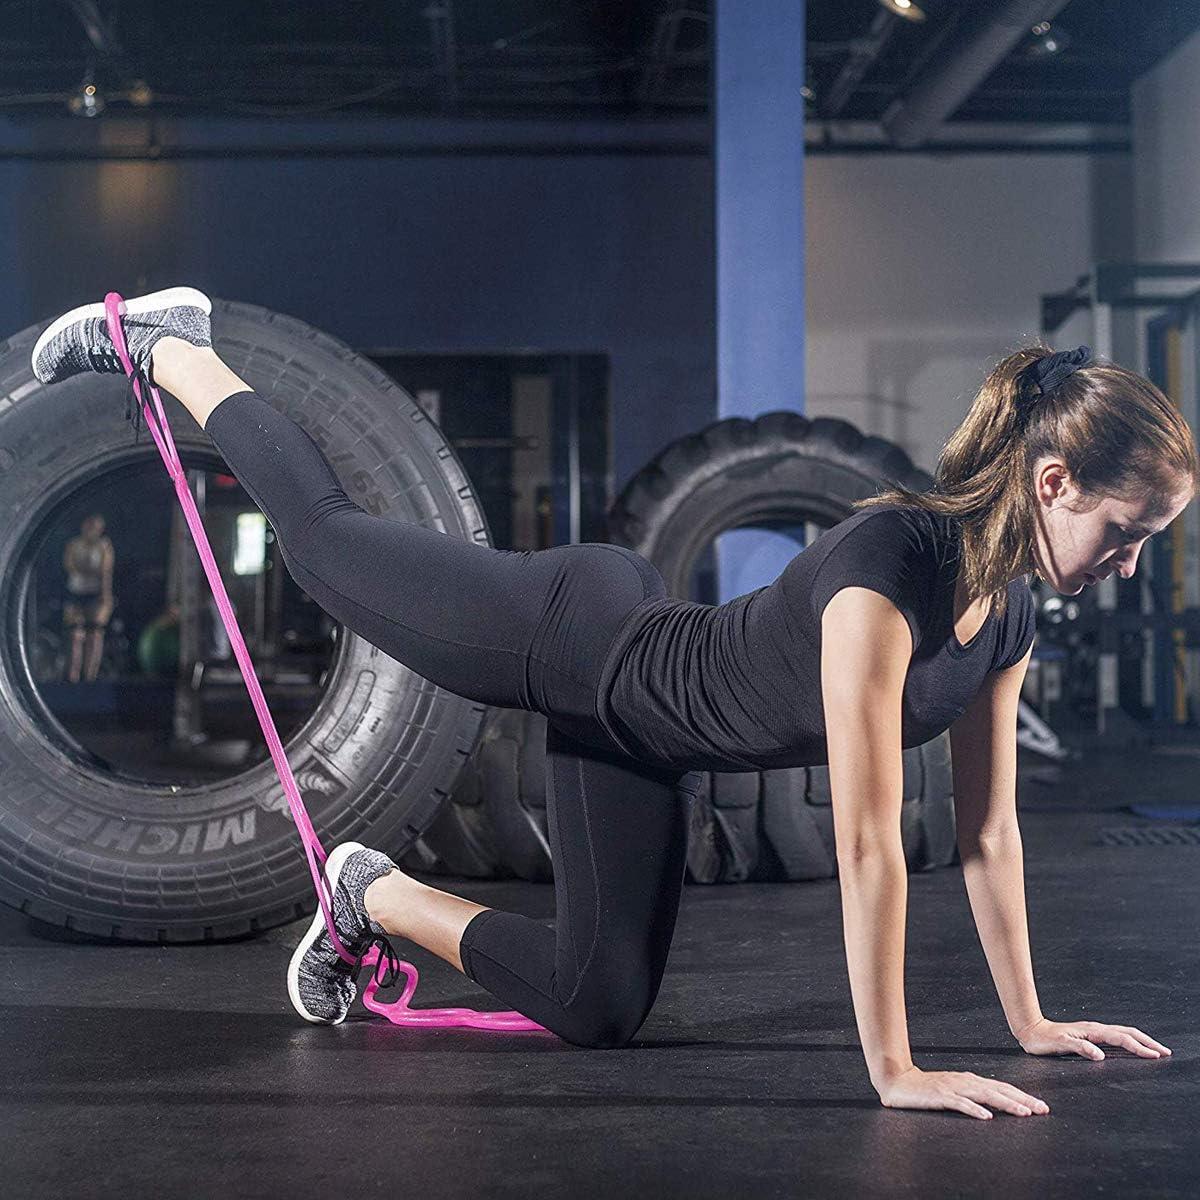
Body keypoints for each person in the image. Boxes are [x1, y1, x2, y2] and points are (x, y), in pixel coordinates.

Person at [32, 288, 1188, 1120]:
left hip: (638, 735)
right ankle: (176, 346)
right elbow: (870, 841)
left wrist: (1031, 1022)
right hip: (576, 639)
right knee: (325, 546)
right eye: (1126, 535)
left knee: (597, 1006)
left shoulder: (1014, 617)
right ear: (1052, 483)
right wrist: (894, 1067)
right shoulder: (893, 567)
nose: (1129, 565)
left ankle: (370, 897)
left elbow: (988, 836)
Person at [61, 512, 115, 683]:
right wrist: (87, 568)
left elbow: (106, 572)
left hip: (95, 593)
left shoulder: (104, 546)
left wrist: (106, 595)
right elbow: (70, 566)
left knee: (94, 634)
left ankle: (90, 676)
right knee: (76, 635)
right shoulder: (74, 544)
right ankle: (73, 675)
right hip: (76, 591)